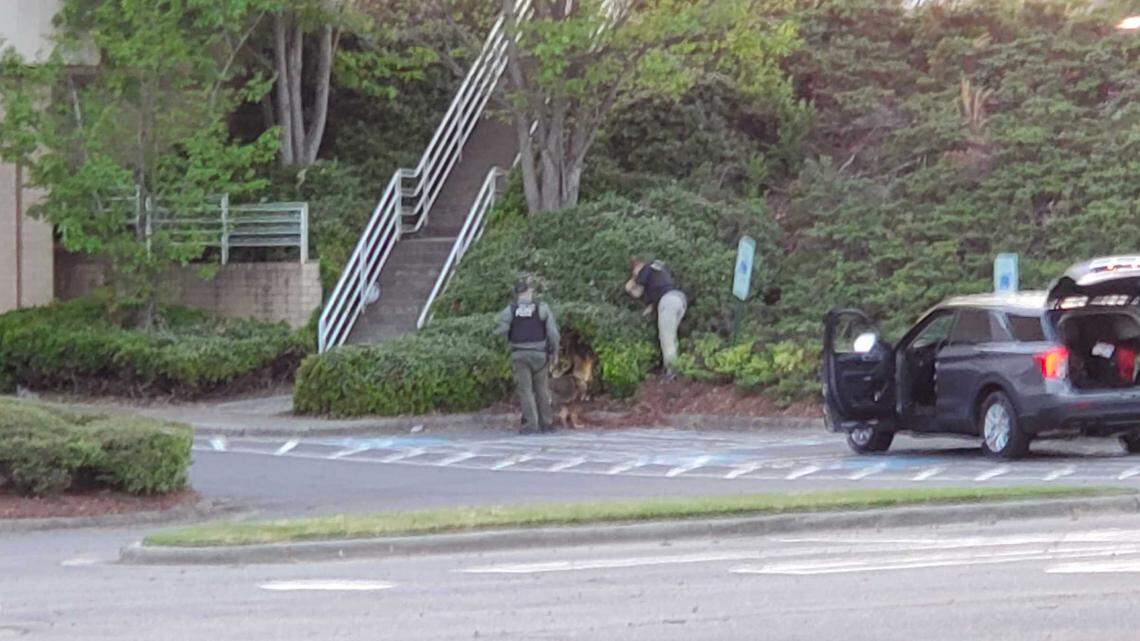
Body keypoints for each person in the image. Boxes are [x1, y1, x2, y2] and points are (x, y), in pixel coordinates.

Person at [493, 280, 560, 434]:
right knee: (542, 389)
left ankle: (531, 425)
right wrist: (554, 350)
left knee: (526, 390)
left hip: (519, 354)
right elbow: (553, 333)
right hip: (540, 354)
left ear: (517, 294)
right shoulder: (542, 308)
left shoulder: (510, 310)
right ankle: (547, 424)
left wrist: (506, 345)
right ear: (529, 292)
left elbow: (501, 331)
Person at [625, 258, 687, 376]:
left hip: (668, 301)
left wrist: (630, 285)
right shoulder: (657, 270)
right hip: (679, 299)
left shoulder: (644, 269)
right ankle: (678, 368)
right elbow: (655, 295)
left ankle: (672, 373)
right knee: (672, 337)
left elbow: (638, 290)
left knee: (667, 339)